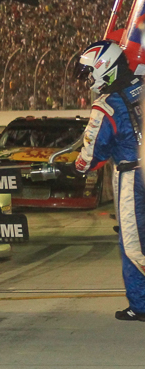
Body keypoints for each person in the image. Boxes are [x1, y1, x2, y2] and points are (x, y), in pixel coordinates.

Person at [73, 40, 145, 322]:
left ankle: (140, 306)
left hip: (132, 176)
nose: (89, 79)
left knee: (133, 246)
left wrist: (78, 167)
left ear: (105, 69)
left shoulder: (105, 107)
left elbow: (90, 157)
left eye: (91, 72)